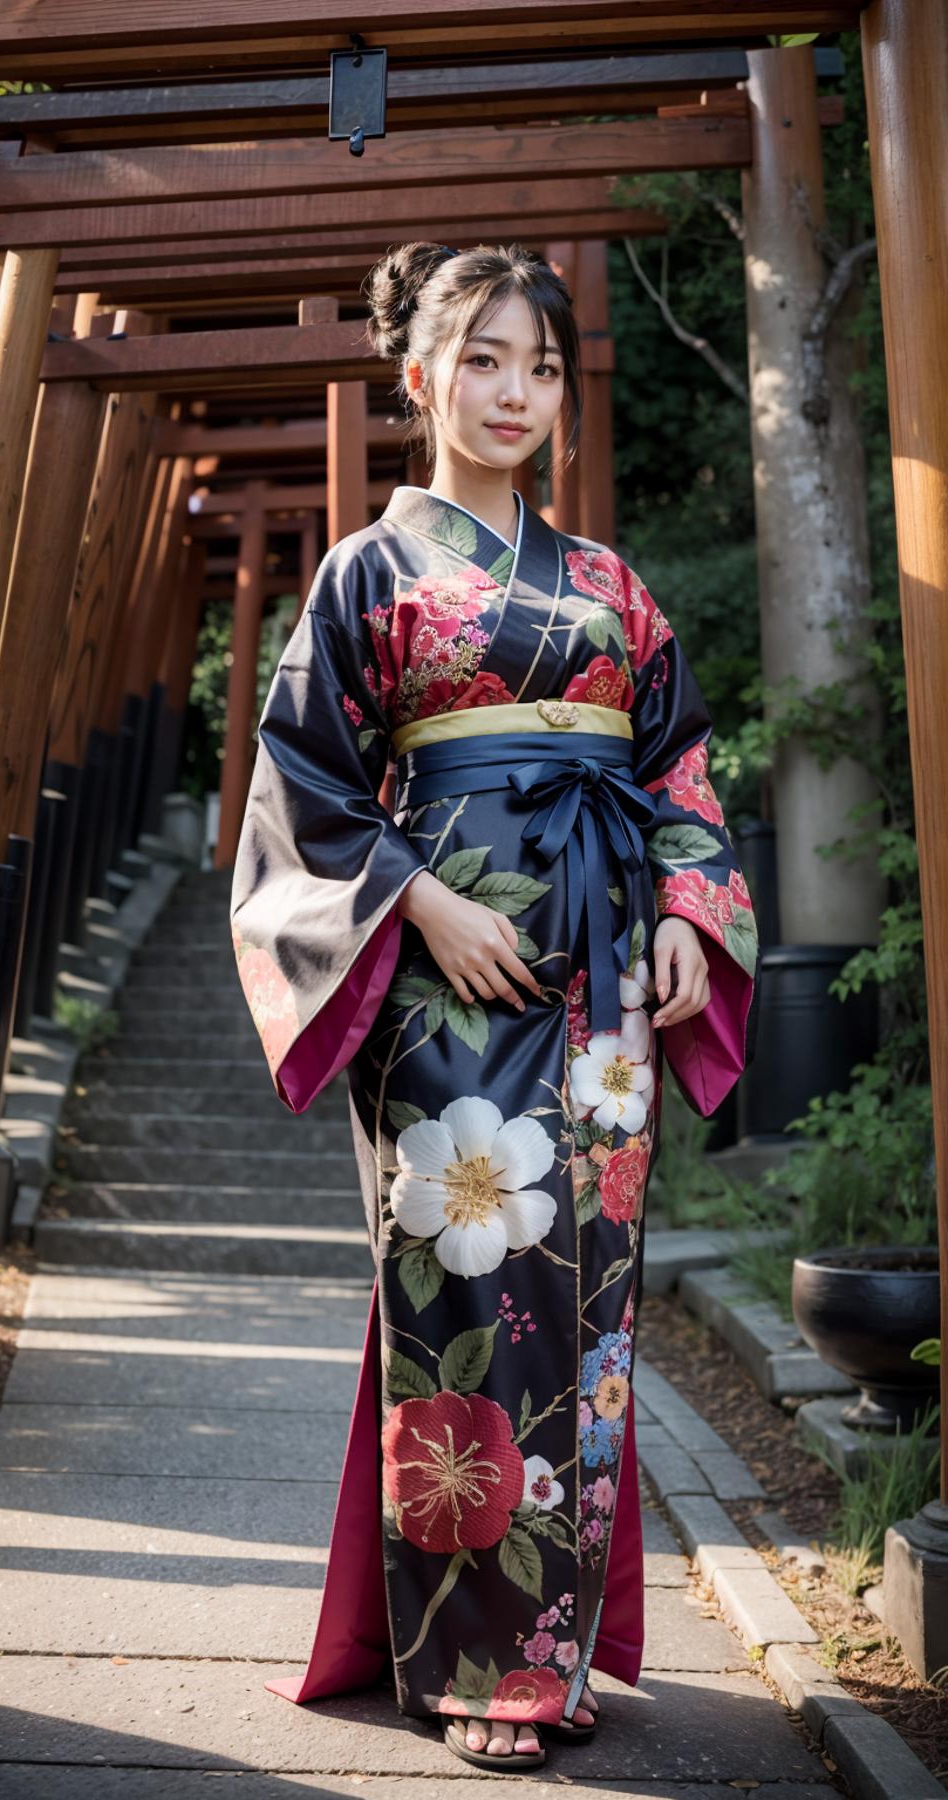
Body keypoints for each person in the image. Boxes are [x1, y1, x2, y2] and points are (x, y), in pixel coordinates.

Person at [229, 241, 759, 1774]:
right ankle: (482, 1668)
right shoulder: (367, 576)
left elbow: (679, 772)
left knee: (585, 1315)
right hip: (443, 995)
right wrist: (422, 900)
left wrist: (684, 912)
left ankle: (557, 1637)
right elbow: (304, 792)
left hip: (600, 993)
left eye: (539, 363)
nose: (515, 391)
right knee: (468, 1295)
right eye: (482, 359)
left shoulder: (612, 586)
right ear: (421, 379)